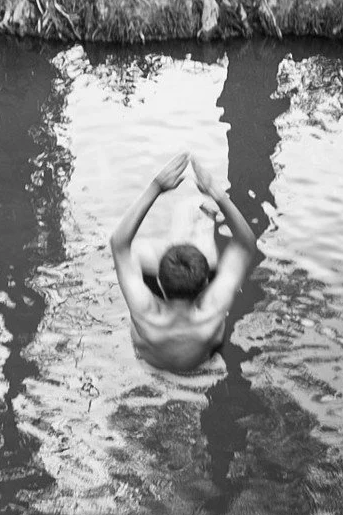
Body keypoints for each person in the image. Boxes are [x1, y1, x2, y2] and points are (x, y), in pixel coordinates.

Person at [109, 151, 260, 373]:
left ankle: (192, 222)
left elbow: (119, 244)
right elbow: (245, 244)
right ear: (205, 285)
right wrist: (216, 193)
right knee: (202, 244)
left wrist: (156, 187)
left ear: (158, 282)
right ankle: (198, 217)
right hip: (203, 352)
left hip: (152, 358)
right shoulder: (213, 309)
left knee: (145, 250)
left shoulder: (144, 312)